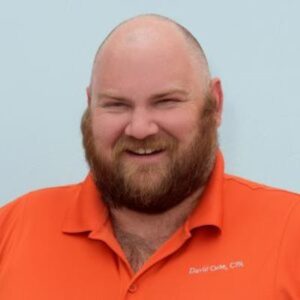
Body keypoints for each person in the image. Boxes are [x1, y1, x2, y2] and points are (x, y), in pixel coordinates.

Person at [0, 14, 299, 300]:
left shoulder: (291, 234)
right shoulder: (12, 230)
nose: (140, 129)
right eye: (116, 105)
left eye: (166, 102)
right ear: (91, 107)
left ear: (215, 104)